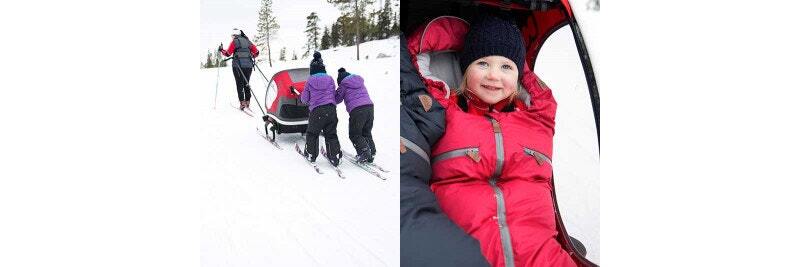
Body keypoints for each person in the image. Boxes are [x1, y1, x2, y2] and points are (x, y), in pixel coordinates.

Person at [403, 14, 578, 267]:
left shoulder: (538, 119)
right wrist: (467, 33)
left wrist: (514, 51)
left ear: (519, 75)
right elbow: (412, 56)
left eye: (506, 67)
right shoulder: (443, 109)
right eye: (482, 63)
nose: (494, 76)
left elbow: (539, 92)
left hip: (540, 253)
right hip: (468, 253)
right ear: (465, 69)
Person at [300, 52, 342, 166]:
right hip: (331, 109)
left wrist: (305, 99)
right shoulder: (330, 79)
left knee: (312, 133)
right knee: (331, 133)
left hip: (317, 111)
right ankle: (335, 156)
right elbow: (333, 94)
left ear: (312, 69)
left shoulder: (310, 80)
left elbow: (304, 98)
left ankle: (311, 154)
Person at [335, 67, 375, 163]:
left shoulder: (343, 84)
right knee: (366, 132)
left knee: (355, 133)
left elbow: (337, 99)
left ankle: (364, 153)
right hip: (369, 107)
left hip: (357, 110)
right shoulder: (359, 82)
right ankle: (371, 151)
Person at [219, 28, 259, 110]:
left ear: (235, 35)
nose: (232, 37)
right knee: (246, 83)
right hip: (248, 66)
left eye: (232, 36)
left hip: (238, 66)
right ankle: (248, 101)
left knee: (239, 83)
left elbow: (228, 53)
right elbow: (257, 52)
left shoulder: (235, 41)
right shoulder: (248, 41)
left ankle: (242, 103)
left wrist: (221, 50)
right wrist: (250, 56)